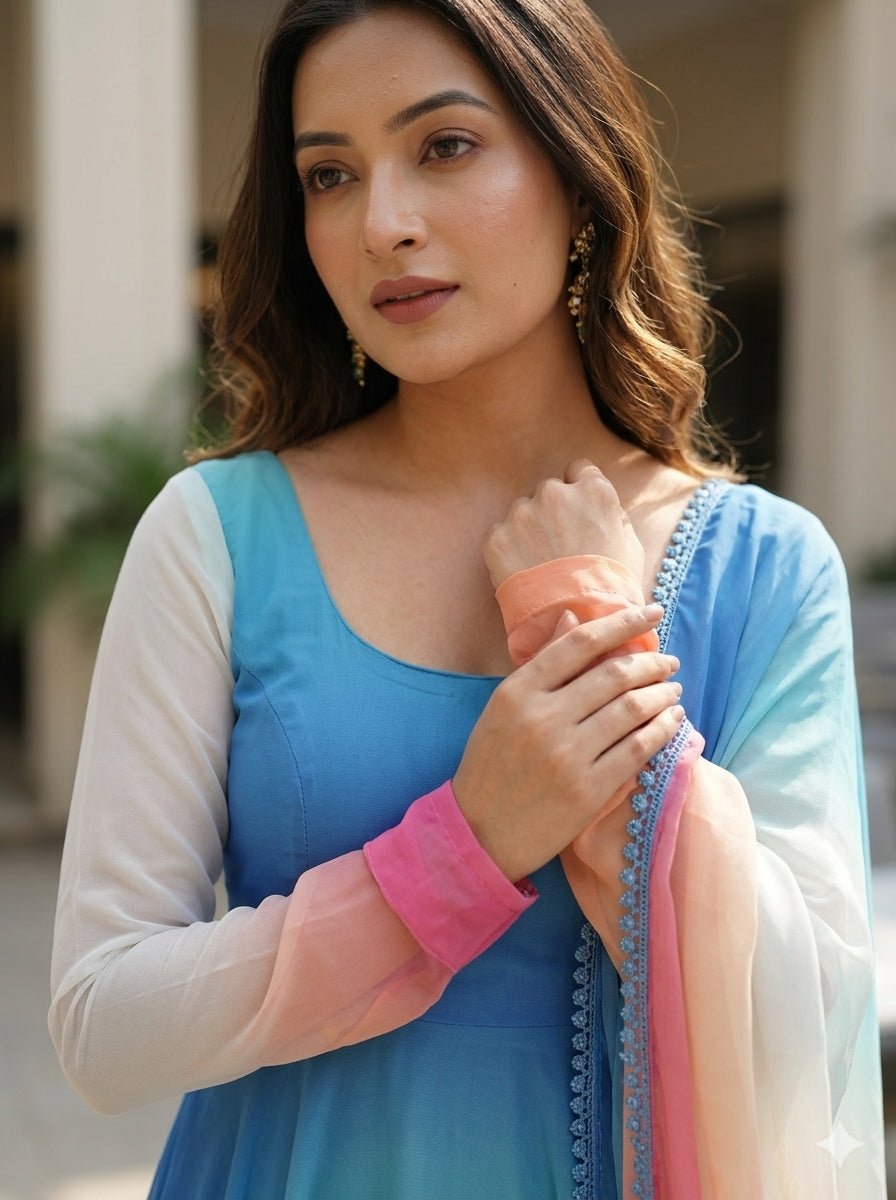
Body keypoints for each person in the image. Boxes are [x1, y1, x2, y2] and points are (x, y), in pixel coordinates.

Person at [49, 1, 886, 1196]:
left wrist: (581, 630)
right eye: (329, 174)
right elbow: (102, 1024)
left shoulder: (763, 568)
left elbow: (806, 1032)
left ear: (577, 176)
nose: (381, 222)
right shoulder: (216, 537)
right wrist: (464, 848)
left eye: (443, 146)